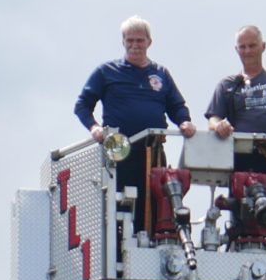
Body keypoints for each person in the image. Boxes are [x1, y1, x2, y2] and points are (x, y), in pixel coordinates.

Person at [74, 16, 194, 218]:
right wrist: (94, 127)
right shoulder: (106, 72)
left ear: (149, 42)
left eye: (139, 40)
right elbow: (82, 105)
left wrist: (184, 121)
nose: (135, 45)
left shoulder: (161, 73)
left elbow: (177, 106)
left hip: (152, 151)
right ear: (123, 42)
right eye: (130, 40)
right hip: (119, 150)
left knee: (156, 202)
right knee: (119, 206)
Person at [205, 24, 266, 206]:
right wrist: (219, 126)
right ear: (236, 50)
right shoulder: (228, 85)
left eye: (252, 45)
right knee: (245, 216)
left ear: (263, 46)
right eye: (243, 47)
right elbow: (213, 118)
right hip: (244, 159)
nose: (247, 51)